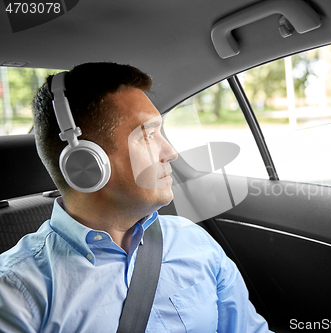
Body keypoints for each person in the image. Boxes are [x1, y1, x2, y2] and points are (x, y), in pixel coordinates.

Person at [0, 62, 271, 332]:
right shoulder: (16, 291)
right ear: (86, 163)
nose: (171, 152)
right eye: (148, 134)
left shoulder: (196, 242)